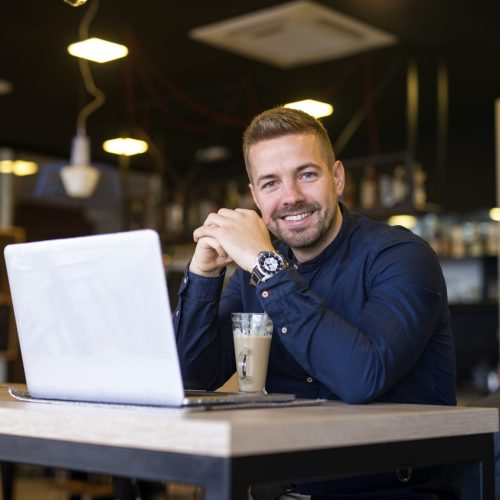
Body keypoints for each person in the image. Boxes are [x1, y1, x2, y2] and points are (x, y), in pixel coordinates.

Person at [174, 106, 457, 499]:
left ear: (337, 178)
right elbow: (194, 375)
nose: (291, 197)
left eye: (306, 175)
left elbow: (361, 377)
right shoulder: (251, 273)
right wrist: (204, 276)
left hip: (387, 491)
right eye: (270, 183)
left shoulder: (401, 256)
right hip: (280, 487)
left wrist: (265, 264)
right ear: (255, 196)